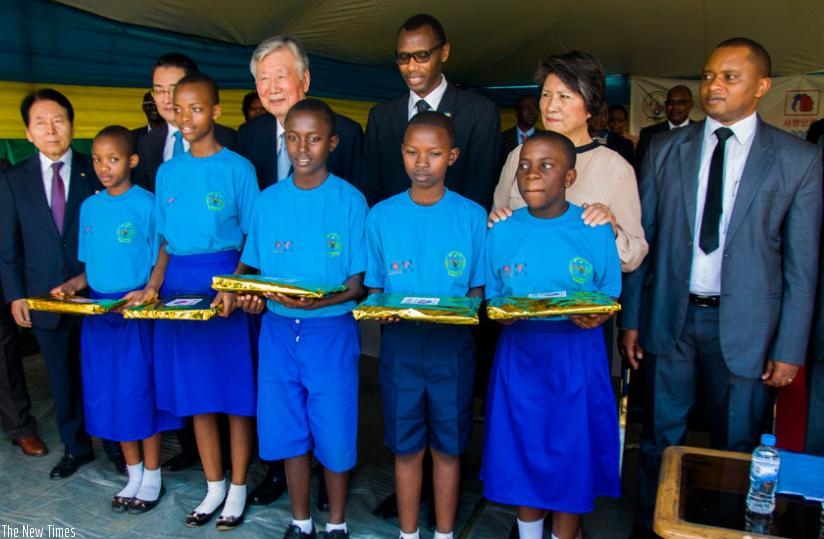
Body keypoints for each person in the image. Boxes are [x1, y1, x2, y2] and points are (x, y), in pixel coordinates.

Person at [620, 38, 823, 537]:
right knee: (660, 439)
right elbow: (645, 240)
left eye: (730, 76)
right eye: (709, 75)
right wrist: (632, 319)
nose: (714, 85)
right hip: (672, 319)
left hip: (749, 330)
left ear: (762, 86)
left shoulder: (798, 160)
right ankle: (652, 528)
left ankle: (718, 531)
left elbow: (802, 266)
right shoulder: (666, 149)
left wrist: (790, 347)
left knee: (736, 445)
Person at [236, 34, 364, 509]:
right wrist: (241, 290)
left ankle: (334, 518)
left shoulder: (349, 196)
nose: (302, 147)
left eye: (280, 75)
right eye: (262, 79)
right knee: (284, 421)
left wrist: (321, 301)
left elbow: (357, 279)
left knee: (334, 425)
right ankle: (301, 516)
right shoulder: (262, 183)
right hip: (276, 327)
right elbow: (251, 263)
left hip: (329, 328)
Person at [482, 131, 621, 539]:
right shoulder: (502, 230)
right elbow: (494, 298)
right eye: (525, 165)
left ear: (570, 176)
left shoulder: (594, 228)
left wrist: (597, 316)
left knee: (570, 454)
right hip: (521, 358)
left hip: (577, 358)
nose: (532, 174)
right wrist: (501, 315)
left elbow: (610, 292)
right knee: (522, 447)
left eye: (547, 165)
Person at [365, 112, 486, 539]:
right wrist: (383, 309)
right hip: (400, 348)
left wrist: (462, 312)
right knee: (406, 445)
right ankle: (409, 532)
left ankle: (445, 533)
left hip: (452, 349)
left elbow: (477, 291)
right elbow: (375, 289)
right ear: (401, 153)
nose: (422, 162)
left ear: (451, 156)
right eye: (413, 152)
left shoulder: (472, 217)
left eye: (434, 154)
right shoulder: (381, 216)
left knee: (448, 447)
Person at [50, 126, 182, 513]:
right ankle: (134, 474)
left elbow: (165, 251)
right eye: (97, 159)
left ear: (132, 161)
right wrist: (72, 285)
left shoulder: (147, 204)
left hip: (135, 312)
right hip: (99, 316)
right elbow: (90, 269)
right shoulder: (90, 207)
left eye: (114, 159)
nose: (104, 167)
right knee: (112, 396)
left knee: (141, 393)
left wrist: (149, 288)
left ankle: (153, 477)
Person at [148, 73, 259, 529]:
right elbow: (164, 240)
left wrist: (232, 286)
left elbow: (254, 238)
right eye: (178, 108)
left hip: (224, 285)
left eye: (197, 108)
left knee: (235, 395)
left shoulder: (238, 168)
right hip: (179, 291)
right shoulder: (167, 170)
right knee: (198, 396)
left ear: (215, 111)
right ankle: (212, 486)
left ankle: (238, 487)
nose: (186, 117)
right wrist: (154, 285)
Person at [0, 89, 125, 479]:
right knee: (61, 375)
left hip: (97, 293)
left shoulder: (98, 170)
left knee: (104, 371)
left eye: (59, 120)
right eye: (41, 122)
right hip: (43, 298)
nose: (51, 129)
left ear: (72, 125)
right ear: (28, 132)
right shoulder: (12, 180)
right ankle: (76, 447)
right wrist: (16, 295)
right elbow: (7, 245)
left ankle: (120, 448)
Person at [492, 51, 647, 274]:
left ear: (590, 107)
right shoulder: (519, 155)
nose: (551, 106)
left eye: (564, 97)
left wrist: (612, 230)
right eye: (546, 95)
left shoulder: (616, 168)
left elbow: (634, 256)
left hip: (582, 302)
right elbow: (497, 225)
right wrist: (498, 221)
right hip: (523, 298)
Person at [360, 13, 500, 209]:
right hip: (394, 234)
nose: (411, 66)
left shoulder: (480, 113)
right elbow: (371, 189)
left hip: (453, 235)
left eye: (422, 55)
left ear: (444, 52)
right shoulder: (381, 117)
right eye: (403, 57)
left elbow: (479, 191)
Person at [236, 35, 363, 191]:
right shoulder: (248, 134)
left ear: (305, 80)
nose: (273, 88)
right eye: (264, 78)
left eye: (281, 76)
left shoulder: (346, 134)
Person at [134, 52, 236, 193]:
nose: (167, 98)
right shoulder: (146, 143)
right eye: (158, 90)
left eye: (174, 89)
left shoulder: (230, 139)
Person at [635, 85, 694, 164]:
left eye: (680, 102)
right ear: (665, 106)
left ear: (690, 105)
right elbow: (641, 167)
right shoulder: (649, 134)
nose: (675, 107)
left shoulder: (700, 131)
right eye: (671, 102)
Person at [589, 101, 635, 167]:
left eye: (603, 114)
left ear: (608, 117)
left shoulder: (625, 145)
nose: (599, 118)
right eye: (595, 114)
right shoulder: (575, 141)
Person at [500, 95, 540, 170]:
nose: (531, 111)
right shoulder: (502, 138)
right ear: (516, 112)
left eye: (535, 108)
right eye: (526, 108)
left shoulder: (546, 139)